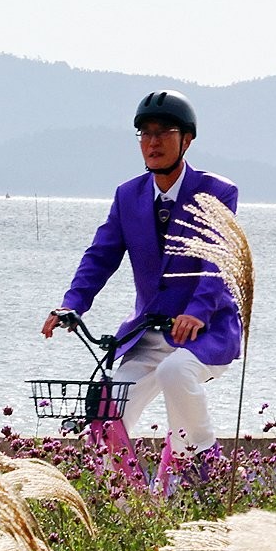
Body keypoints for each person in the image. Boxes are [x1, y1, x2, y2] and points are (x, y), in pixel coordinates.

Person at [40, 90, 240, 490]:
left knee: (175, 371)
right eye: (144, 133)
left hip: (205, 332)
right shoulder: (127, 195)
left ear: (187, 139)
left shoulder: (216, 192)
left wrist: (198, 311)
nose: (152, 142)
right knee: (105, 416)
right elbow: (101, 254)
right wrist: (71, 305)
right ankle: (131, 508)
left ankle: (207, 464)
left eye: (164, 132)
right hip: (147, 335)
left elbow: (219, 260)